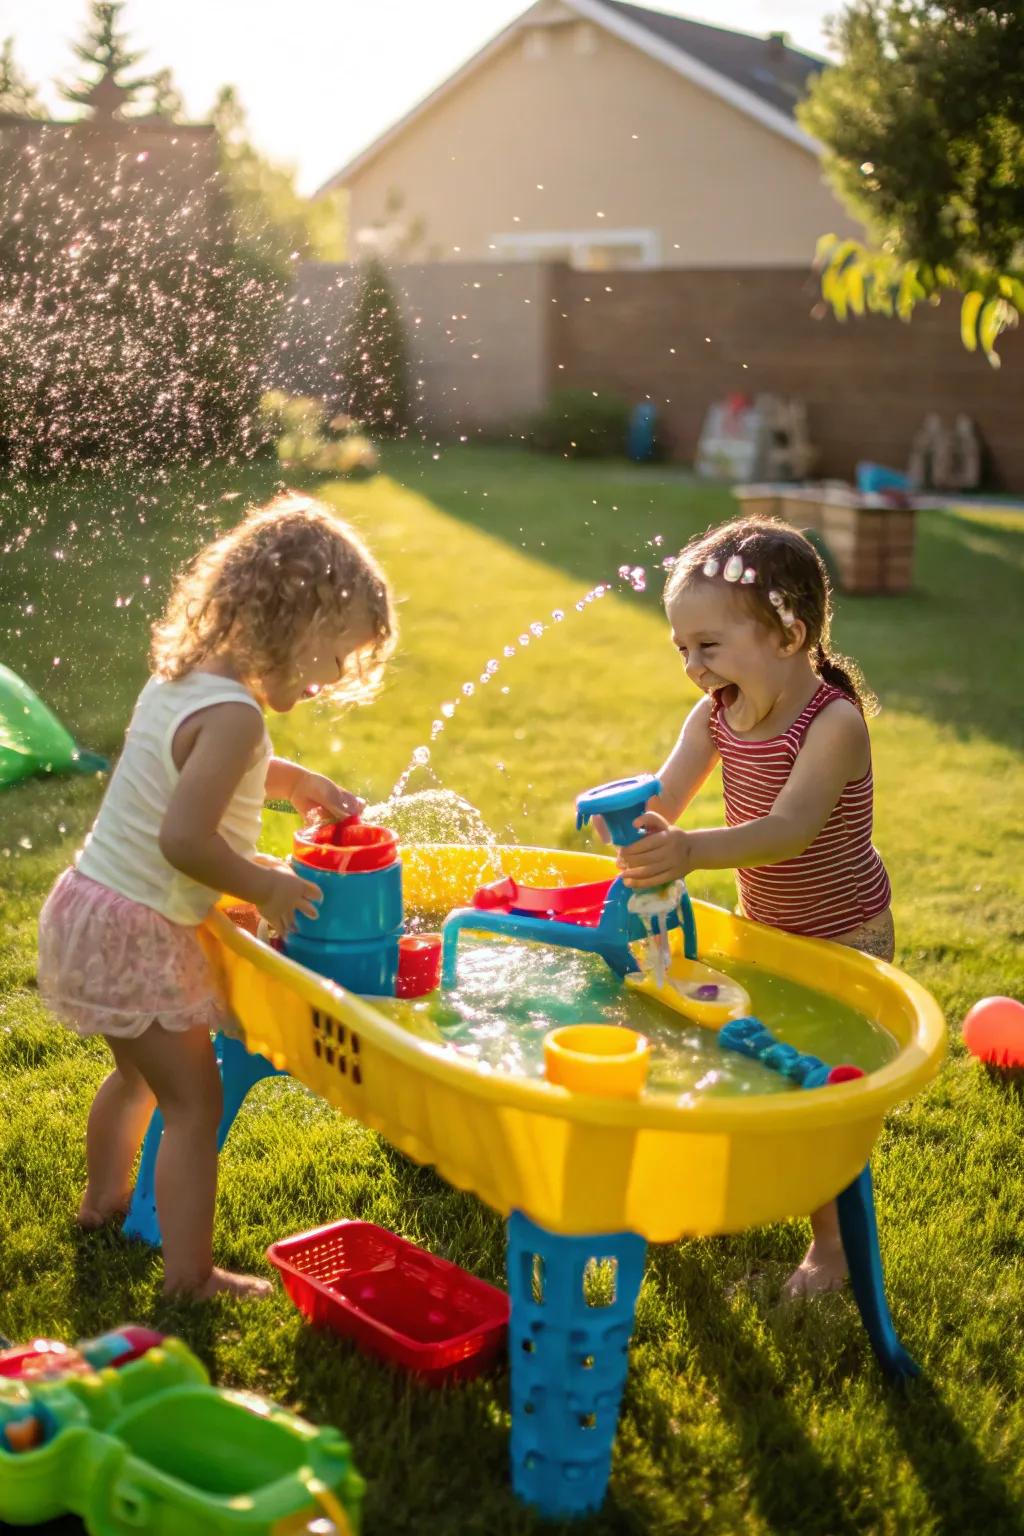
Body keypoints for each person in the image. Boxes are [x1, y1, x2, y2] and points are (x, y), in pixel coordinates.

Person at [38, 491, 395, 1299]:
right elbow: (185, 842)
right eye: (330, 660)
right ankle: (189, 1279)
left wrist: (292, 778)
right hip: (140, 927)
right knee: (195, 1105)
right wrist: (265, 884)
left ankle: (102, 1202)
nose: (330, 682)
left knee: (135, 1077)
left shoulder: (186, 681)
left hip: (90, 904)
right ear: (291, 626)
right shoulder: (234, 716)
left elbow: (193, 769)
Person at [616, 516, 892, 1299]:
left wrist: (691, 852)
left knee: (826, 1094)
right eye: (682, 649)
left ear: (788, 633)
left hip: (848, 939)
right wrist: (635, 822)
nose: (694, 667)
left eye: (708, 645)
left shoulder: (832, 723)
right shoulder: (713, 716)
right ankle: (723, 1195)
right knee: (753, 1062)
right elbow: (665, 799)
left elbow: (790, 831)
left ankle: (833, 1249)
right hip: (769, 934)